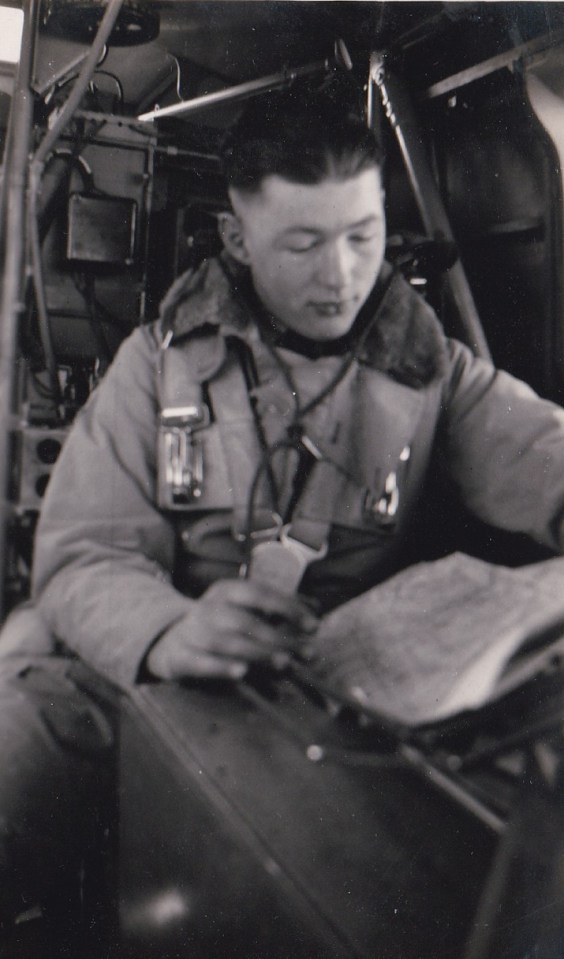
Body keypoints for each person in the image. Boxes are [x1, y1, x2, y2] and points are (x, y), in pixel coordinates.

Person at [1, 84, 564, 940]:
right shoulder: (155, 365)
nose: (340, 274)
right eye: (302, 244)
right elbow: (84, 555)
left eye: (362, 237)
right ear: (237, 236)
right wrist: (170, 630)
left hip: (338, 691)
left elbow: (544, 456)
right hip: (146, 666)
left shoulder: (433, 371)